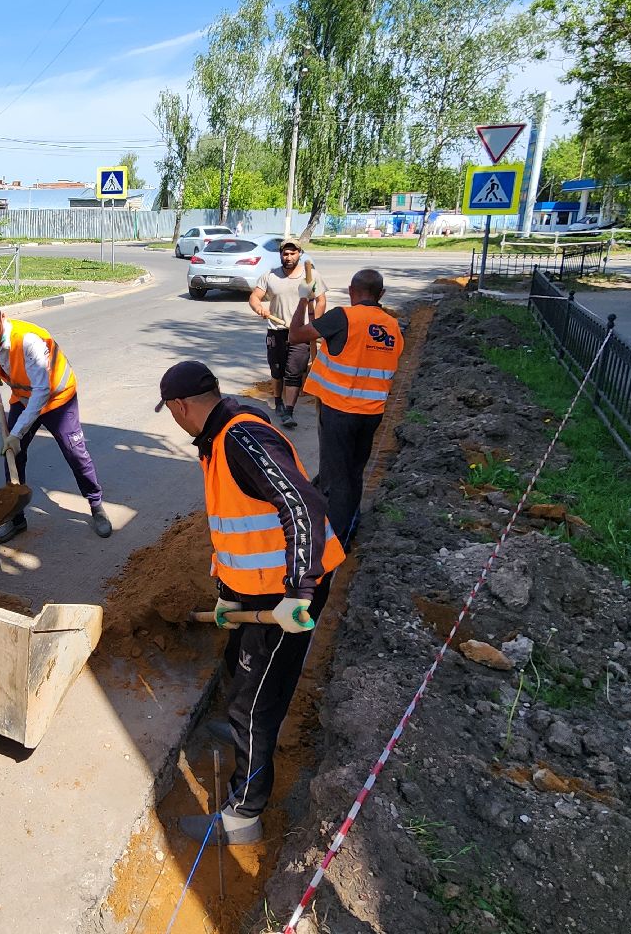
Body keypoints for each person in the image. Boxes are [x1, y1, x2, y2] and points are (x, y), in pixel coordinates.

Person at [156, 360, 345, 845]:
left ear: (180, 407)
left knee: (254, 702)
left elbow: (304, 504)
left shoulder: (240, 438)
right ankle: (247, 733)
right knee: (244, 678)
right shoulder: (220, 437)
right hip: (258, 591)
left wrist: (299, 591)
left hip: (286, 594)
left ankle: (243, 815)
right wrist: (228, 595)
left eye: (171, 412)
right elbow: (240, 525)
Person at [0, 297, 111, 543]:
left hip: (57, 398)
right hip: (23, 398)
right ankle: (16, 517)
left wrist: (17, 433)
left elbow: (42, 392)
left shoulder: (28, 341)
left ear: (3, 318)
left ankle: (96, 505)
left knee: (75, 453)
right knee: (12, 455)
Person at [288, 267, 405, 547]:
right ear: (381, 294)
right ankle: (351, 522)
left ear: (352, 292)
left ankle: (336, 540)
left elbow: (295, 336)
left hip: (340, 412)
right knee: (354, 472)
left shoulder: (343, 317)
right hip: (371, 414)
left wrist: (304, 301)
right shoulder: (392, 327)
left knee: (338, 477)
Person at [248, 238, 327, 429]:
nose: (289, 257)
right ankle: (278, 401)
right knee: (277, 370)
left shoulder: (311, 276)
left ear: (299, 254)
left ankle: (289, 411)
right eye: (285, 253)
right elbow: (254, 297)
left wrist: (313, 325)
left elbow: (321, 301)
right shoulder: (270, 276)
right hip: (277, 330)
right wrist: (259, 308)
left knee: (294, 371)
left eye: (293, 253)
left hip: (300, 333)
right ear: (281, 255)